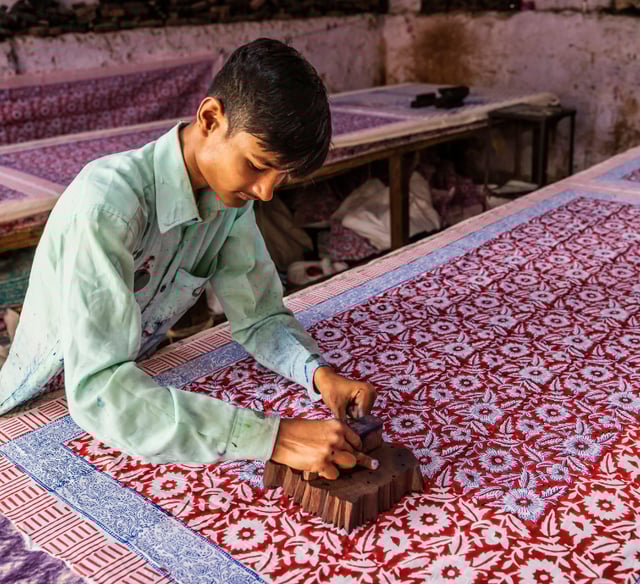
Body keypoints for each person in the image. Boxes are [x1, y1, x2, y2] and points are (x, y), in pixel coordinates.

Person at [0, 38, 377, 480]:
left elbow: (258, 316)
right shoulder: (107, 208)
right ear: (211, 118)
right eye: (257, 165)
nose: (266, 192)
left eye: (281, 177)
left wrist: (318, 375)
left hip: (134, 387)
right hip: (42, 406)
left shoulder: (229, 204)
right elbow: (98, 389)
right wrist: (274, 437)